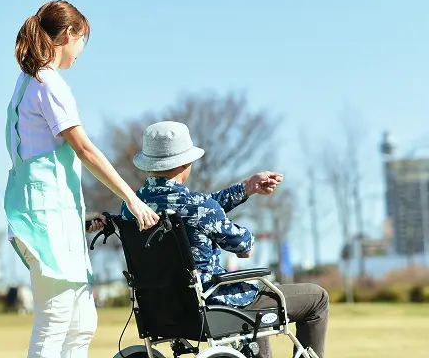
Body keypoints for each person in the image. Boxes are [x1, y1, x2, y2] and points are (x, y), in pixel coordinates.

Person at [3, 0, 159, 357]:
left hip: (48, 215)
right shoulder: (47, 82)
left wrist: (79, 219)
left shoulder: (27, 82)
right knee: (55, 320)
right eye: (82, 39)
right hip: (46, 221)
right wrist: (133, 200)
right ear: (68, 34)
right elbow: (85, 150)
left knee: (81, 324)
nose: (81, 50)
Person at [121, 121, 329, 358]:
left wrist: (245, 188)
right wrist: (247, 241)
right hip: (212, 305)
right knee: (317, 299)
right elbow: (243, 245)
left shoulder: (131, 208)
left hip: (161, 311)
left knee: (252, 305)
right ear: (185, 163)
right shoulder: (200, 207)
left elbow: (202, 209)